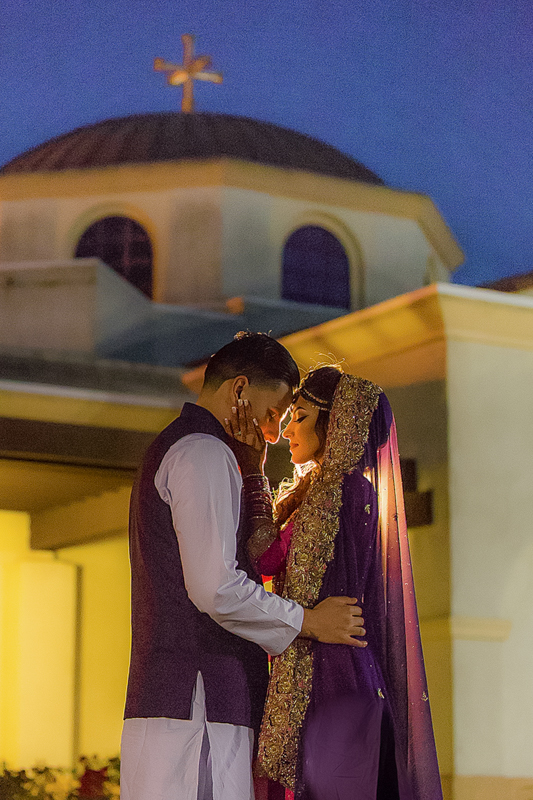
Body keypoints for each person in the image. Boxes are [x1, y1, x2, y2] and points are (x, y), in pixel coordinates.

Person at [120, 334, 367, 800]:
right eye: (273, 413)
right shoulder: (204, 452)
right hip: (200, 700)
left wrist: (252, 468)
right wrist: (309, 621)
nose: (274, 433)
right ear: (239, 389)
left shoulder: (185, 446)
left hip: (179, 699)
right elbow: (215, 587)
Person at [227, 365, 442, 800]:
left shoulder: (336, 491)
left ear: (337, 426)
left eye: (300, 417)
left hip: (328, 680)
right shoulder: (342, 490)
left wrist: (253, 472)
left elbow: (266, 556)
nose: (288, 430)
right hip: (343, 674)